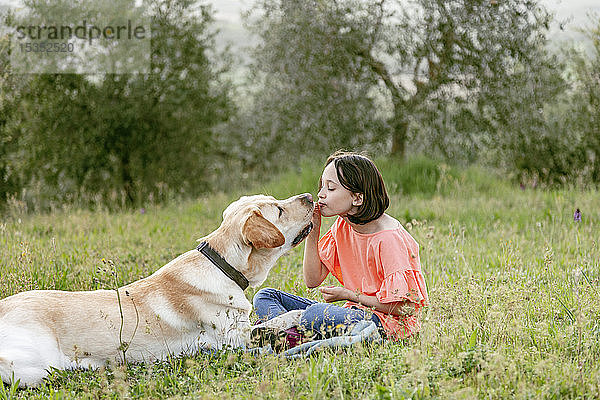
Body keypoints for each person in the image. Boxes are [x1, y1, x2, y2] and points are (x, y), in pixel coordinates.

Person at [253, 151, 429, 341]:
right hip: (352, 314)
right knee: (266, 296)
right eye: (322, 186)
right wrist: (313, 229)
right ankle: (291, 336)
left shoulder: (389, 239)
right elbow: (312, 280)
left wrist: (349, 295)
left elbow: (405, 308)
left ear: (357, 198)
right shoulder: (343, 225)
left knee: (316, 314)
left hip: (383, 324)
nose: (320, 194)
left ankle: (285, 334)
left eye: (330, 188)